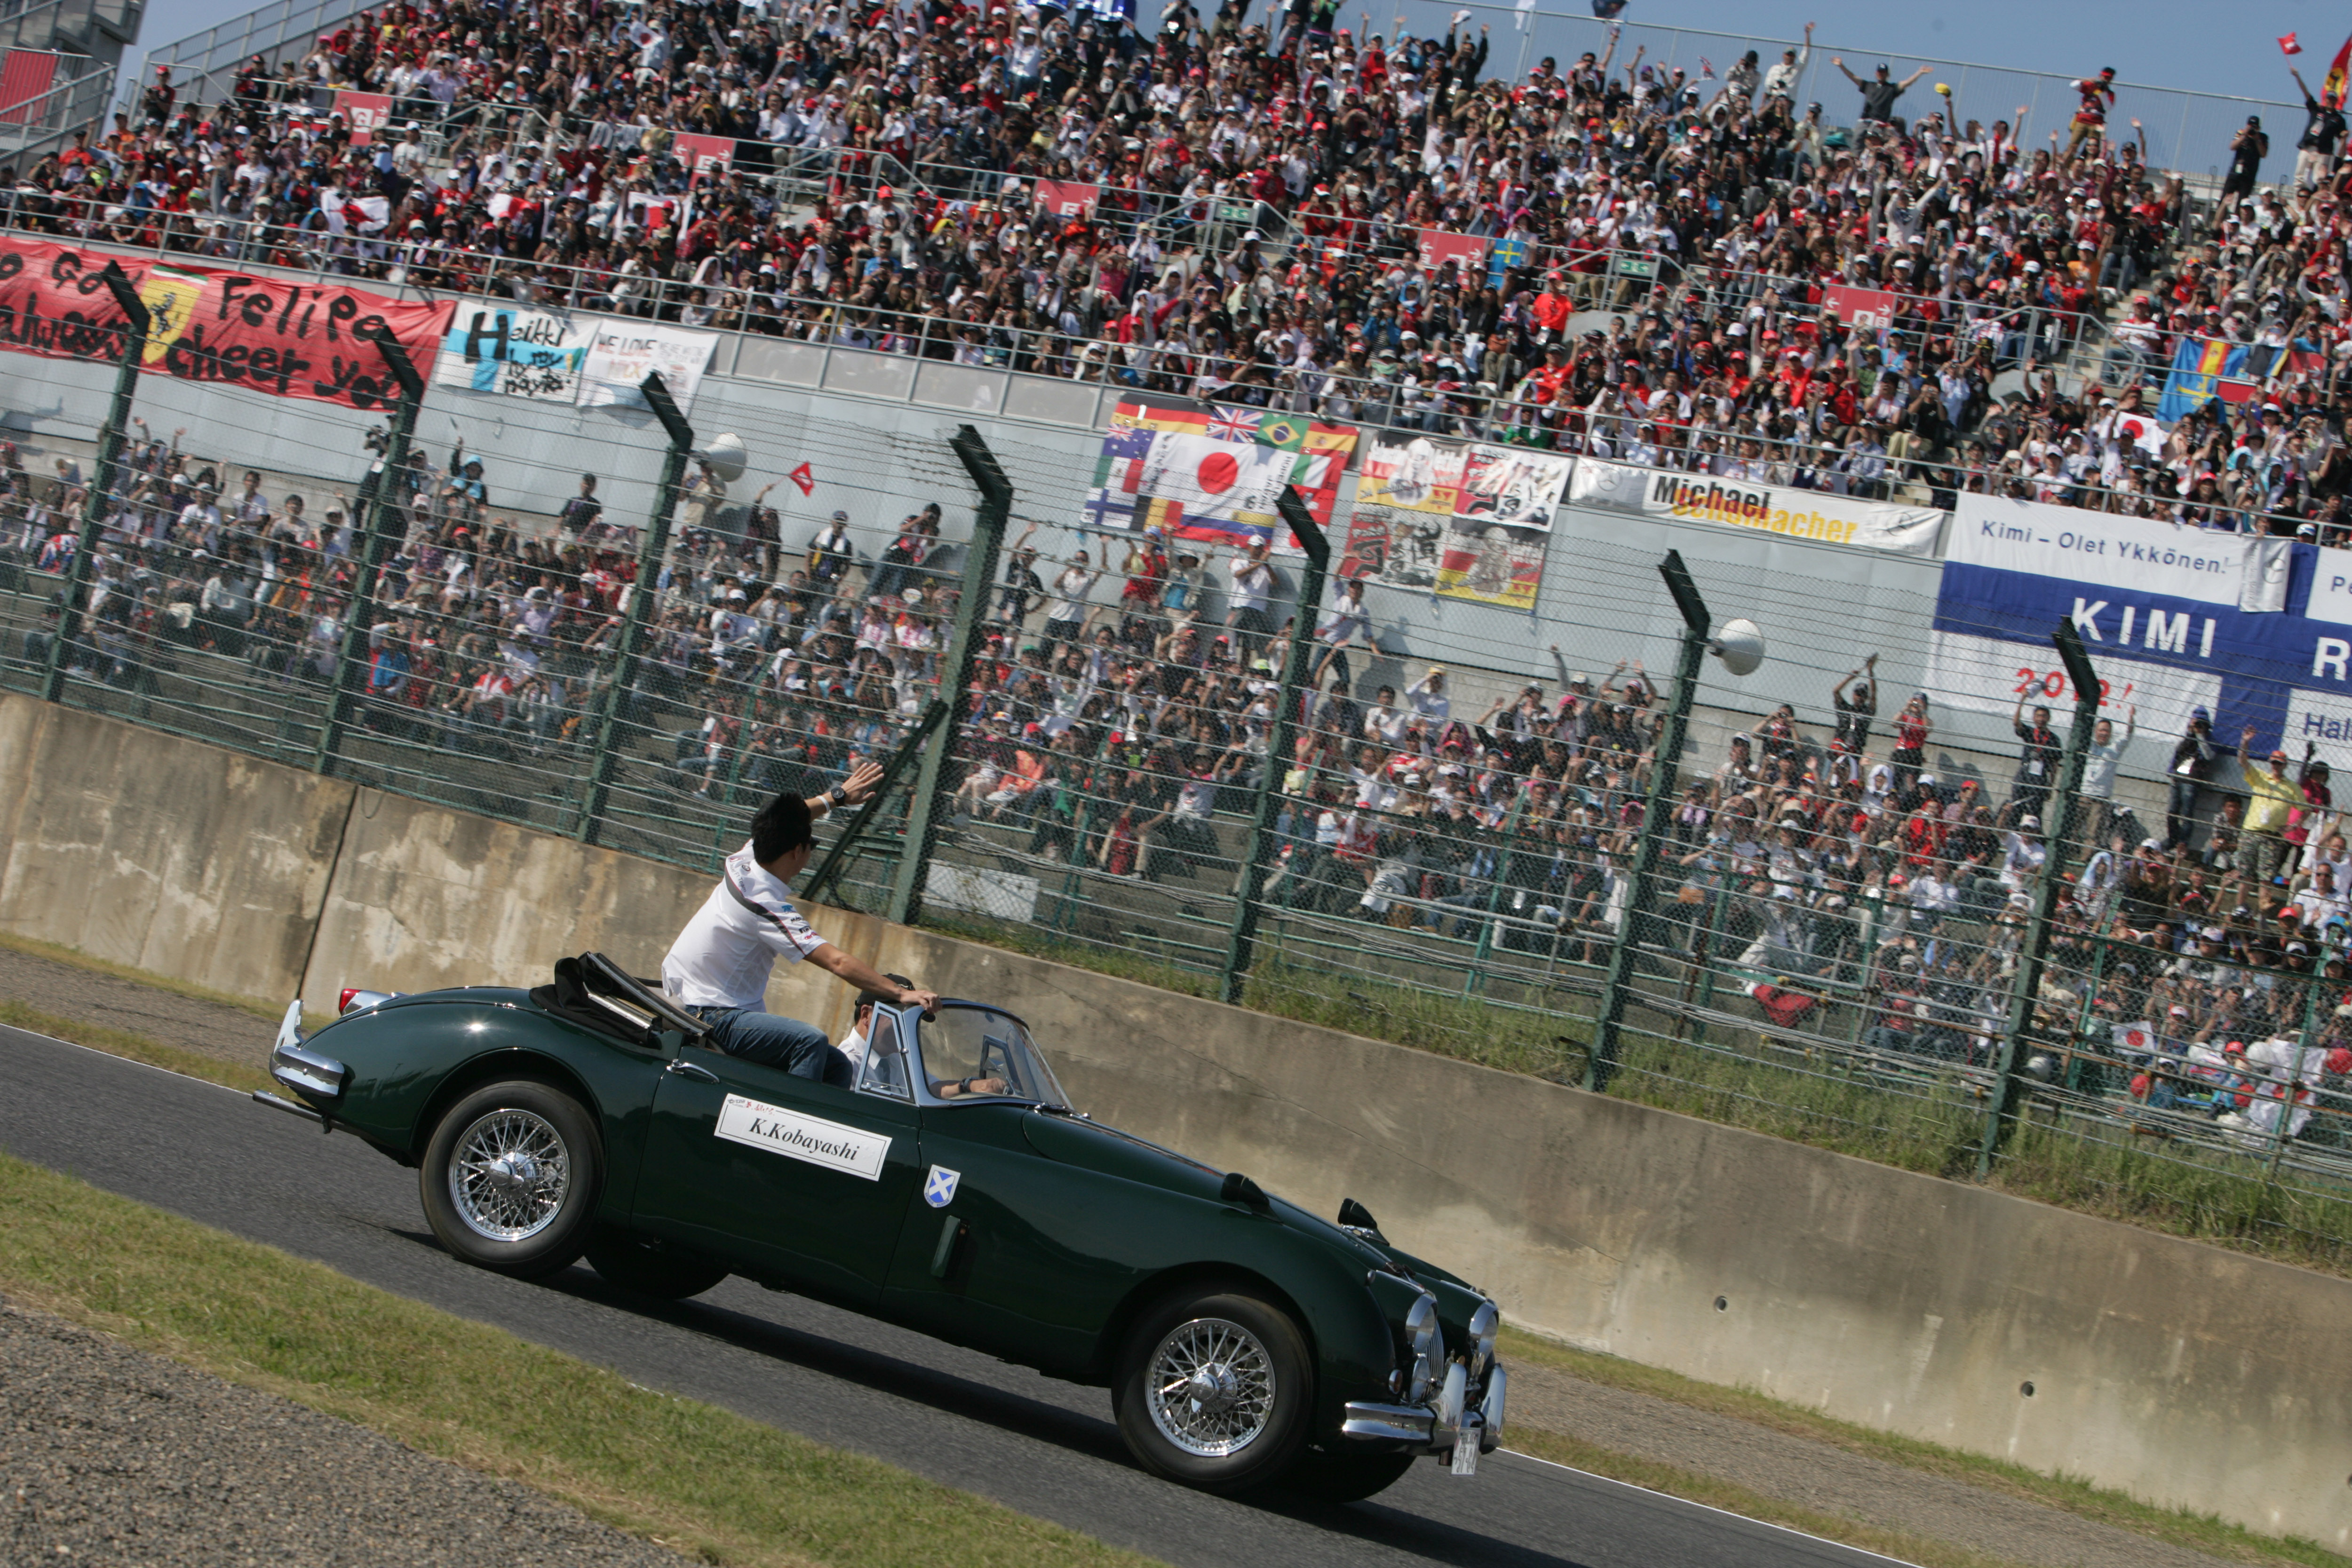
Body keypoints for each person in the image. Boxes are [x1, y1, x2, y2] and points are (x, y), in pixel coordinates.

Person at [661, 762, 941, 1083]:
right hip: (713, 1013)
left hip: (702, 998)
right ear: (797, 851)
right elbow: (836, 961)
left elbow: (782, 820)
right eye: (811, 845)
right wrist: (900, 994)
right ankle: (786, 1113)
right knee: (810, 1041)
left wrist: (836, 797)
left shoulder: (746, 860)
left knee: (838, 1066)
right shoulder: (767, 907)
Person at [2167, 708, 2224, 849]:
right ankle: (2173, 840)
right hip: (2178, 778)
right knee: (2172, 813)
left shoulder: (2211, 739)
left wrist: (2200, 736)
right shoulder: (2188, 735)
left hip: (2192, 781)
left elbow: (2209, 756)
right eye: (2196, 723)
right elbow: (2178, 750)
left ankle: (2183, 844)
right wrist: (2190, 733)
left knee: (2187, 814)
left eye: (2201, 724)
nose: (2198, 726)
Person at [2289, 67, 2347, 190]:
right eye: (2329, 98)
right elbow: (2306, 93)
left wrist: (2344, 136)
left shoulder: (2338, 119)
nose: (2331, 101)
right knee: (2299, 177)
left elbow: (2341, 137)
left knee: (2319, 179)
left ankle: (2316, 199)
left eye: (2333, 99)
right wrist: (2298, 77)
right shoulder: (2317, 109)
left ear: (2337, 101)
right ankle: (2299, 196)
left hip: (2323, 151)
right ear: (2325, 99)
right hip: (2308, 147)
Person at [1833, 56, 1930, 127]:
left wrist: (1920, 73)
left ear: (1887, 75)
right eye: (1879, 72)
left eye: (1883, 72)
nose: (1881, 74)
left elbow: (1907, 83)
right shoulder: (1868, 85)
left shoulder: (1891, 88)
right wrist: (1841, 66)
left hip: (1881, 124)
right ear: (1876, 73)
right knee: (1857, 143)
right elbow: (1853, 77)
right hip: (1865, 121)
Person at [2222, 116, 2270, 210]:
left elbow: (2264, 154)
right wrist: (2244, 136)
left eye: (2255, 127)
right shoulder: (2241, 133)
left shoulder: (2263, 137)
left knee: (2243, 201)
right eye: (2251, 126)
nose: (2252, 129)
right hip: (2235, 172)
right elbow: (2232, 147)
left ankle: (2238, 216)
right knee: (2226, 196)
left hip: (2249, 174)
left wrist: (2257, 140)